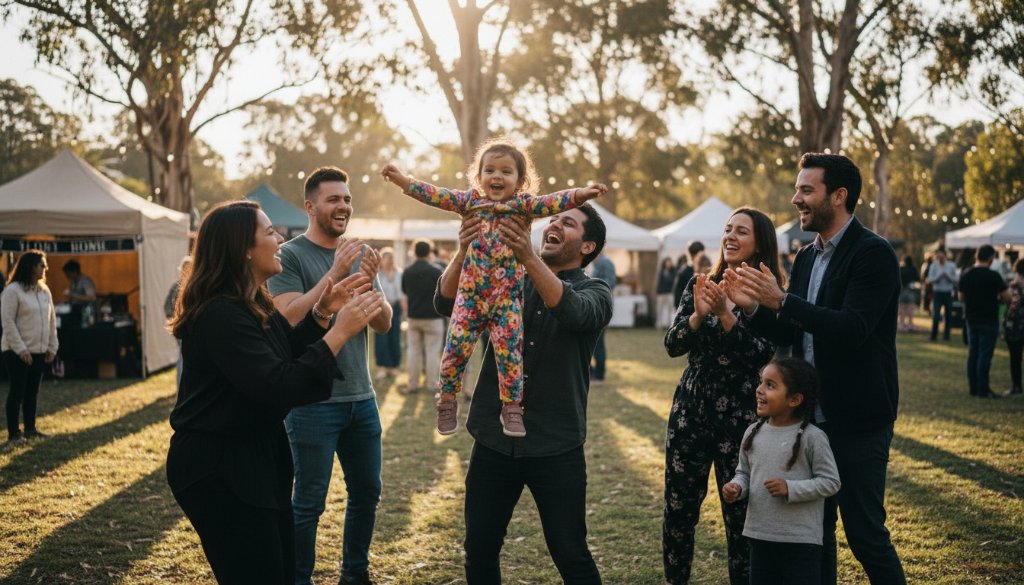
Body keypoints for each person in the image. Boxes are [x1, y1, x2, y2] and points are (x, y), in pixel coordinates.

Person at [165, 200, 382, 585]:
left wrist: (323, 312)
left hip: (253, 457)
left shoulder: (252, 303)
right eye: (269, 232)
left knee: (280, 569)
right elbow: (277, 384)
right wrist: (339, 332)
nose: (280, 238)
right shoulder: (220, 314)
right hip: (218, 467)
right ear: (243, 250)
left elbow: (286, 352)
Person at [723, 153, 906, 584]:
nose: (796, 199)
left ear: (838, 196)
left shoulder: (873, 253)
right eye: (797, 189)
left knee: (865, 534)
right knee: (815, 536)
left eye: (806, 190)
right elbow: (792, 328)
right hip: (809, 419)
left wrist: (782, 300)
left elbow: (852, 329)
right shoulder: (806, 257)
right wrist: (752, 308)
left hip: (857, 417)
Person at [434, 202, 611, 585]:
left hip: (556, 445)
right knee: (479, 549)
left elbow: (575, 312)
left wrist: (528, 257)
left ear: (587, 247)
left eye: (568, 222)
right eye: (554, 218)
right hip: (494, 440)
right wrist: (463, 251)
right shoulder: (507, 276)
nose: (554, 223)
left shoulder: (597, 291)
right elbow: (446, 302)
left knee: (571, 554)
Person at [381, 139, 606, 437]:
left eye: (506, 171)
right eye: (489, 170)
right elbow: (436, 195)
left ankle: (511, 407)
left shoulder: (524, 207)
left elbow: (553, 201)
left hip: (506, 301)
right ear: (479, 176)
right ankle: (447, 400)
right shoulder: (469, 202)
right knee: (454, 350)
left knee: (510, 354)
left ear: (521, 181)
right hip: (470, 298)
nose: (497, 176)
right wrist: (403, 181)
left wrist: (581, 194)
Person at [268, 166, 392, 585]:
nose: (344, 206)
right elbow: (287, 317)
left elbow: (384, 324)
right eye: (333, 199)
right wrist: (333, 274)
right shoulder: (288, 255)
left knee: (367, 493)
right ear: (310, 206)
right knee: (308, 503)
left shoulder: (359, 253)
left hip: (362, 399)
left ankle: (355, 574)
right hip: (311, 403)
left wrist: (372, 284)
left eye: (347, 199)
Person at [663, 207, 784, 585]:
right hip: (691, 411)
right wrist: (698, 316)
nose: (730, 236)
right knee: (679, 511)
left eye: (741, 231)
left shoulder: (769, 292)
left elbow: (761, 356)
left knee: (741, 516)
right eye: (728, 229)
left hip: (743, 415)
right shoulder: (700, 283)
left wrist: (727, 315)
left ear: (759, 243)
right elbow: (672, 344)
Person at [722, 358, 841, 585]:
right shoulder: (752, 432)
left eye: (770, 385)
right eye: (761, 382)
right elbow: (744, 473)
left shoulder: (813, 437)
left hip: (801, 543)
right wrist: (737, 487)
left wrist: (790, 488)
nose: (759, 390)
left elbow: (831, 481)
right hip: (760, 536)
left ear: (794, 399)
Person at [1, 250, 58, 444]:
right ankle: (14, 434)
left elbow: (51, 320)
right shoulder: (12, 291)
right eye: (41, 265)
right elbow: (7, 321)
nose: (45, 268)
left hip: (39, 350)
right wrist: (21, 349)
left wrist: (52, 347)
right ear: (30, 267)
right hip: (15, 350)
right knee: (17, 391)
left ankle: (30, 429)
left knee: (32, 391)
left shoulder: (44, 291)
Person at [958, 244, 1011, 399]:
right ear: (991, 258)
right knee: (985, 355)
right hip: (989, 319)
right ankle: (983, 389)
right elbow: (1007, 297)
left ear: (977, 256)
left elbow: (961, 297)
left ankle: (973, 388)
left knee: (973, 353)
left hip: (971, 318)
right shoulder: (993, 276)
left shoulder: (967, 274)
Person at [402, 240, 446, 394]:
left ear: (414, 251)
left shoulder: (407, 271)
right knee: (432, 351)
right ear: (430, 252)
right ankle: (432, 384)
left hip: (414, 316)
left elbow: (405, 291)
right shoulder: (436, 271)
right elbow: (443, 292)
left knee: (413, 351)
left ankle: (412, 384)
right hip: (433, 317)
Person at [373, 247, 403, 380]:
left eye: (391, 258)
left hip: (396, 307)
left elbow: (402, 293)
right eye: (386, 258)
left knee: (394, 337)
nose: (388, 260)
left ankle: (392, 367)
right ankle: (381, 368)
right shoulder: (377, 274)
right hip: (380, 307)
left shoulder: (399, 273)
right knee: (381, 338)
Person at [589, 252, 616, 381]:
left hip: (601, 308)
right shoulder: (600, 263)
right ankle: (594, 372)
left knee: (598, 343)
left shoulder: (605, 263)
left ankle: (599, 374)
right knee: (595, 343)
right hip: (597, 307)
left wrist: (594, 290)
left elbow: (610, 283)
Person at [1003, 258, 1024, 396]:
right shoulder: (1013, 285)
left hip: (1014, 325)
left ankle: (1016, 386)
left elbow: (1006, 302)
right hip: (1017, 324)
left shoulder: (1012, 286)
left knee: (1015, 358)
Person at [926, 249, 957, 341]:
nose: (940, 258)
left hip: (948, 293)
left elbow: (956, 279)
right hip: (937, 293)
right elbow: (930, 279)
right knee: (936, 315)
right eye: (938, 256)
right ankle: (933, 335)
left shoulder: (951, 265)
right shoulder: (933, 266)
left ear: (945, 256)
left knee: (948, 315)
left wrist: (948, 277)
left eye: (941, 256)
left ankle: (946, 335)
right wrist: (938, 278)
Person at [672, 241, 705, 309]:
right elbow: (678, 294)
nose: (703, 257)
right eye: (701, 255)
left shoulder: (703, 269)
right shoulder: (684, 271)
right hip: (687, 309)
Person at [898, 255, 919, 332]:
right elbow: (917, 279)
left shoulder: (901, 269)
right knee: (910, 308)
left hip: (902, 290)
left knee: (902, 308)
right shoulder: (913, 269)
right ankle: (910, 324)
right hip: (911, 290)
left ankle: (902, 324)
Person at [656, 257, 677, 329]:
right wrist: (658, 290)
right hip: (661, 293)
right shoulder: (662, 271)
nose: (668, 264)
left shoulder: (673, 271)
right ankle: (659, 324)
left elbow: (671, 280)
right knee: (659, 309)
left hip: (669, 292)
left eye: (669, 262)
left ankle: (669, 324)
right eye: (667, 263)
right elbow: (660, 282)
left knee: (670, 309)